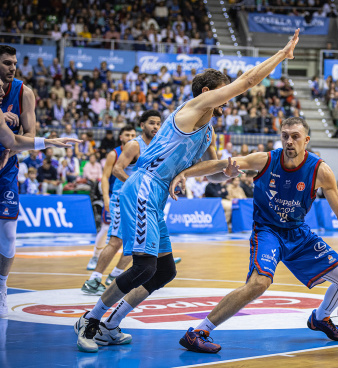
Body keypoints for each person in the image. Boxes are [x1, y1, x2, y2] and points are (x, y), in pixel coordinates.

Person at [74, 30, 301, 353]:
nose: (228, 98)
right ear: (209, 92)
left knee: (164, 270)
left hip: (158, 193)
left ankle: (111, 324)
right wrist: (282, 55)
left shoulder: (206, 132)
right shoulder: (193, 107)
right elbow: (248, 81)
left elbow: (206, 170)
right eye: (224, 93)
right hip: (142, 186)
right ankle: (90, 319)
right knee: (142, 266)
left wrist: (228, 167)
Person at [169, 117, 338, 353]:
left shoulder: (320, 170)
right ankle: (199, 332)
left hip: (298, 233)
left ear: (306, 140)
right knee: (259, 283)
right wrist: (187, 173)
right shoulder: (266, 160)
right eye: (285, 135)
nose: (289, 141)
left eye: (295, 136)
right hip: (267, 230)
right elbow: (218, 166)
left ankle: (321, 318)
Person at [0, 45, 79, 318]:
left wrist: (9, 147)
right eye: (7, 63)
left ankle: (2, 287)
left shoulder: (24, 93)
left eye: (14, 63)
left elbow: (24, 138)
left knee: (9, 236)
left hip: (6, 168)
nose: (12, 68)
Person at [81, 125, 137, 286]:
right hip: (115, 197)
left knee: (131, 238)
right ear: (121, 137)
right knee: (109, 232)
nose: (130, 137)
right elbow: (104, 178)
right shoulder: (114, 153)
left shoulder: (139, 150)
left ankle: (159, 257)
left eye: (133, 134)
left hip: (131, 199)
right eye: (127, 134)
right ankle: (95, 260)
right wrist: (106, 198)